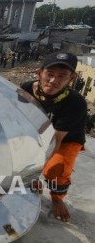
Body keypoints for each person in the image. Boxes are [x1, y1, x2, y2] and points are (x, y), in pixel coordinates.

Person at [21, 52, 87, 222]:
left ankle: (57, 198)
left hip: (65, 139)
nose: (53, 81)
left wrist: (33, 172)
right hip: (35, 134)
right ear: (39, 73)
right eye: (49, 74)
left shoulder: (75, 103)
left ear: (72, 79)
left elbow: (55, 141)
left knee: (56, 167)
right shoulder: (26, 90)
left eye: (62, 76)